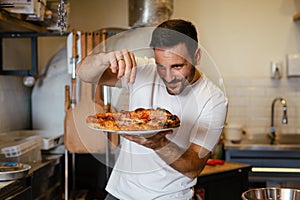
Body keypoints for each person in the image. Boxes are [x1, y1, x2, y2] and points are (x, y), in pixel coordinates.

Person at [77, 19, 228, 200]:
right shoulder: (144, 69)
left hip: (170, 197)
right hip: (119, 193)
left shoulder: (214, 99)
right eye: (161, 66)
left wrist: (158, 143)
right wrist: (105, 58)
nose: (168, 77)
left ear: (196, 57)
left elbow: (193, 167)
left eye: (177, 66)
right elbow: (84, 73)